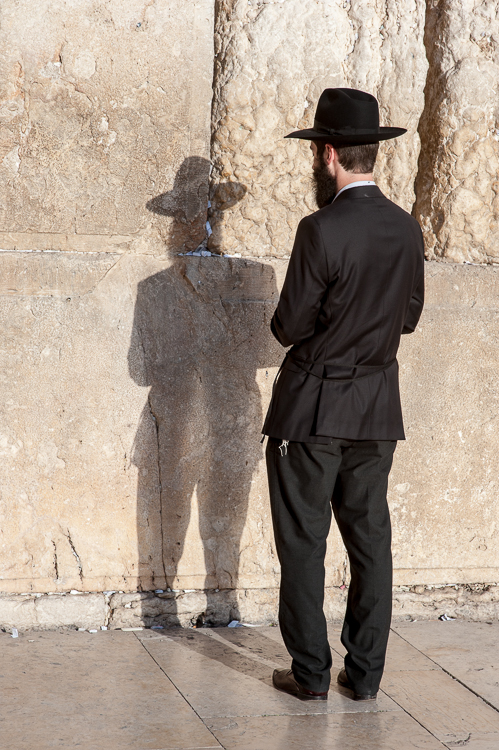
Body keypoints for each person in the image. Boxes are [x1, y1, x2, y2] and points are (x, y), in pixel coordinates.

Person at [263, 88, 425, 702]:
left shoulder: (319, 229)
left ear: (328, 154)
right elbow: (408, 317)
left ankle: (310, 675)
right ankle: (365, 675)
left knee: (304, 543)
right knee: (370, 541)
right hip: (377, 411)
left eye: (316, 153)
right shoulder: (406, 228)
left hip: (311, 412)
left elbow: (288, 327)